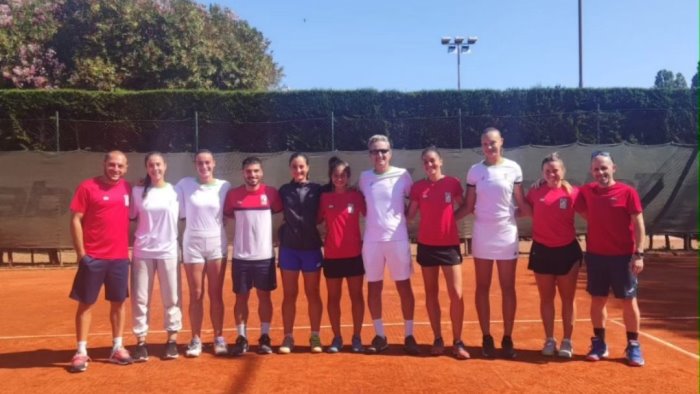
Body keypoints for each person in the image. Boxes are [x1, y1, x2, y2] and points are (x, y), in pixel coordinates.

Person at [458, 127, 529, 359]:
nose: (489, 147)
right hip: (482, 234)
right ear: (482, 146)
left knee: (508, 287)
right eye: (485, 143)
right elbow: (468, 206)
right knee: (482, 287)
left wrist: (543, 208)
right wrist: (445, 219)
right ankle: (486, 337)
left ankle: (508, 338)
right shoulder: (474, 171)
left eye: (493, 143)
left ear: (501, 142)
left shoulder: (513, 169)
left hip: (506, 234)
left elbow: (521, 202)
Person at [575, 151, 646, 367]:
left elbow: (638, 224)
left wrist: (639, 253)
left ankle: (633, 345)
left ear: (613, 168)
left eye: (604, 168)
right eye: (596, 169)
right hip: (596, 256)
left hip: (623, 257)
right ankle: (599, 344)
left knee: (628, 301)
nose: (600, 172)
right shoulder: (586, 191)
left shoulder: (628, 192)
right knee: (598, 300)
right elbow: (563, 190)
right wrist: (544, 179)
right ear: (591, 171)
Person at [68, 151, 133, 372]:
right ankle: (81, 351)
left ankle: (117, 347)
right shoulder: (87, 187)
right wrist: (82, 254)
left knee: (118, 304)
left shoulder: (129, 188)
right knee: (86, 304)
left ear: (126, 168)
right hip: (93, 257)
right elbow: (76, 219)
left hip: (119, 258)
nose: (115, 169)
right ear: (104, 164)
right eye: (112, 164)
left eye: (120, 166)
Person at [407, 146, 470, 359]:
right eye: (425, 162)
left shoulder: (452, 183)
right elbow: (410, 215)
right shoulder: (418, 188)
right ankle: (437, 338)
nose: (429, 165)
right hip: (426, 246)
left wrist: (451, 221)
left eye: (433, 160)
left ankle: (458, 341)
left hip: (449, 245)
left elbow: (465, 206)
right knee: (431, 293)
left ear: (441, 161)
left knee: (456, 294)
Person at [359, 134, 419, 355]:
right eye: (375, 151)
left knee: (404, 286)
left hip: (398, 239)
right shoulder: (364, 178)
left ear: (390, 153)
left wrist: (408, 218)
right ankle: (380, 335)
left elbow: (415, 198)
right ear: (370, 155)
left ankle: (409, 335)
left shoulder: (403, 175)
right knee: (374, 286)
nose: (380, 155)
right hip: (372, 242)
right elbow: (363, 204)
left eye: (383, 150)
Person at [523, 152, 582, 358]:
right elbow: (522, 208)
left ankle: (567, 341)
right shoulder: (535, 191)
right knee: (546, 298)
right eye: (547, 171)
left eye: (556, 170)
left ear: (563, 171)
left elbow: (593, 208)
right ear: (542, 173)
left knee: (568, 298)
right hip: (542, 251)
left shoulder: (573, 193)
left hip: (568, 251)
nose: (552, 174)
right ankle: (549, 339)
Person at [224, 156, 283, 356]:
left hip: (264, 257)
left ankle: (264, 336)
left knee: (264, 297)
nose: (253, 175)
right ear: (243, 173)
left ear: (262, 172)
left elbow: (278, 210)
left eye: (256, 171)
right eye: (249, 172)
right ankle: (242, 337)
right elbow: (228, 214)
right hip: (240, 257)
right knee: (241, 299)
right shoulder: (233, 195)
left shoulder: (271, 194)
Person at [176, 149, 231, 357]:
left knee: (215, 294)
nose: (204, 166)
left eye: (207, 162)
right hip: (192, 245)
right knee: (196, 294)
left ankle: (218, 338)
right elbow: (161, 189)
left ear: (214, 163)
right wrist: (142, 183)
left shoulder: (224, 186)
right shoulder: (184, 185)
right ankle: (196, 339)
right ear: (195, 164)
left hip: (217, 243)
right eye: (200, 163)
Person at [130, 152, 182, 361]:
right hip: (143, 251)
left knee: (172, 297)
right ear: (146, 167)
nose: (155, 169)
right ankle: (141, 341)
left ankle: (172, 340)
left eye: (158, 165)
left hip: (168, 251)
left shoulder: (176, 192)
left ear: (165, 166)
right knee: (141, 298)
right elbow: (132, 216)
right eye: (151, 165)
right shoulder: (137, 191)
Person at [318, 157, 366, 353]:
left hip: (354, 254)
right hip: (332, 256)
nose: (339, 178)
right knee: (333, 298)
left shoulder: (356, 197)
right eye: (336, 175)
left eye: (343, 175)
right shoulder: (324, 198)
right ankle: (337, 337)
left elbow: (372, 214)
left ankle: (356, 337)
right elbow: (317, 220)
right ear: (331, 177)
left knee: (356, 296)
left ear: (348, 177)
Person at [277, 152, 324, 354]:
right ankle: (288, 337)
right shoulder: (284, 191)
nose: (298, 170)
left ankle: (315, 336)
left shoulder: (318, 190)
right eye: (295, 167)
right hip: (289, 249)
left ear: (308, 168)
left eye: (301, 167)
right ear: (290, 169)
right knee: (289, 294)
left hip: (311, 248)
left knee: (313, 293)